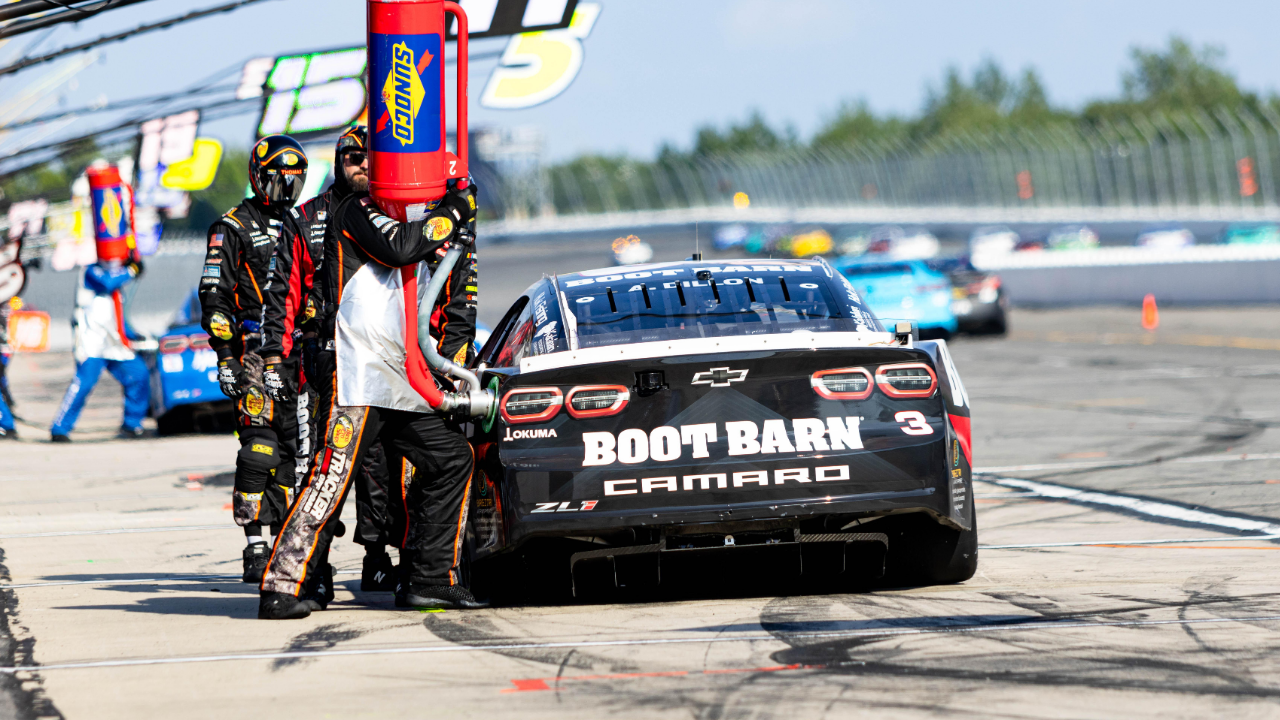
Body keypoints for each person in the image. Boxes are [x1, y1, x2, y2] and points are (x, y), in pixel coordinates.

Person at [257, 172, 481, 620]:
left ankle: (429, 578)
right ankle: (283, 583)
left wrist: (452, 218)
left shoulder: (417, 218)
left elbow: (441, 272)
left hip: (401, 371)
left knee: (452, 458)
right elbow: (400, 246)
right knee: (333, 474)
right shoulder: (357, 209)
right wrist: (455, 210)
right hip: (355, 367)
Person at [259, 127, 407, 597]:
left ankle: (377, 558)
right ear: (339, 161)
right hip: (323, 358)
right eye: (351, 156)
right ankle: (314, 569)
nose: (361, 164)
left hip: (383, 358)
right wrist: (274, 360)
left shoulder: (392, 212)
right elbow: (281, 296)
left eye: (369, 157)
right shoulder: (306, 218)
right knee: (318, 467)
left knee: (379, 464)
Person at [200, 134, 309, 584]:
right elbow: (214, 294)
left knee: (294, 454)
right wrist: (225, 354)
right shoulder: (232, 226)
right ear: (258, 177)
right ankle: (254, 544)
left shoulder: (303, 222)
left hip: (299, 353)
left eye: (294, 182)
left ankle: (284, 538)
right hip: (252, 355)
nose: (287, 190)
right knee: (259, 450)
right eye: (279, 180)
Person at [49, 235, 149, 442]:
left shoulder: (118, 280)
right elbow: (107, 282)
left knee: (139, 375)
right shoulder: (91, 271)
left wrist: (134, 335)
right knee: (83, 384)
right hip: (91, 342)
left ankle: (132, 424)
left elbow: (117, 315)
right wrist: (131, 271)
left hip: (114, 343)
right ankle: (60, 428)